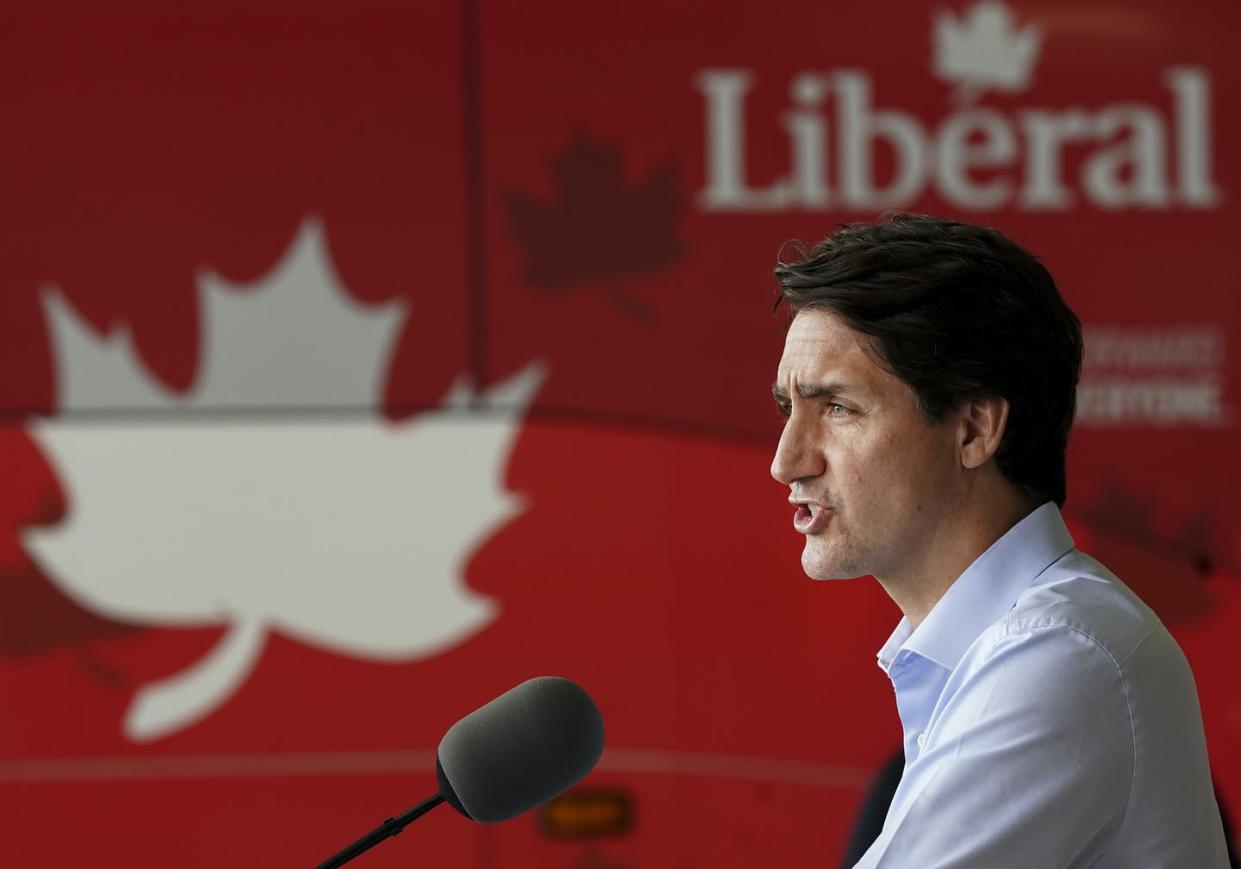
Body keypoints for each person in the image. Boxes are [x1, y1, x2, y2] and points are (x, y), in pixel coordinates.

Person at [768, 213, 1229, 867]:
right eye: (788, 409)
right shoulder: (1027, 640)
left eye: (836, 407)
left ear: (974, 430)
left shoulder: (1060, 650)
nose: (786, 461)